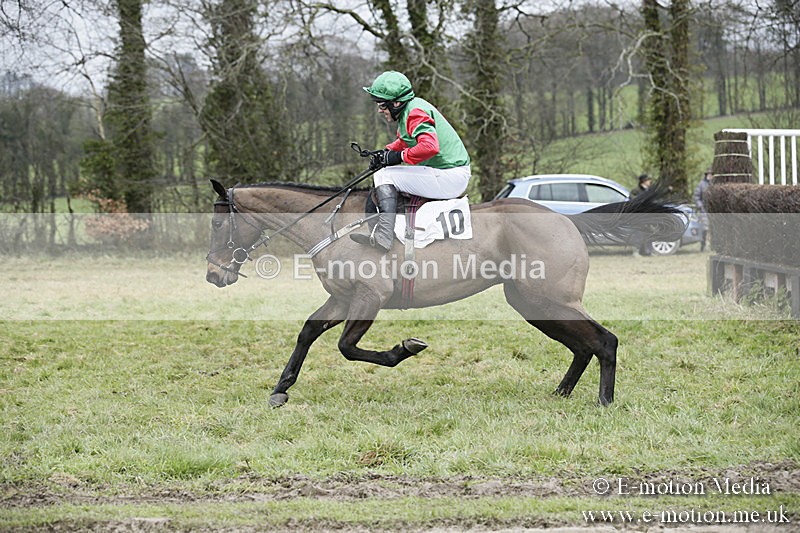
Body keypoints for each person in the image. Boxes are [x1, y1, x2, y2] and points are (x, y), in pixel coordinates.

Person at [350, 71, 471, 253]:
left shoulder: (415, 113)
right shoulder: (410, 110)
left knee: (385, 175)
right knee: (383, 171)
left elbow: (430, 147)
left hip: (451, 176)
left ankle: (384, 235)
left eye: (382, 105)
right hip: (447, 172)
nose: (379, 110)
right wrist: (385, 153)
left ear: (396, 103)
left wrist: (397, 157)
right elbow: (404, 141)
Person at [630, 174, 653, 256]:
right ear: (643, 181)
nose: (650, 182)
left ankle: (648, 251)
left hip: (648, 216)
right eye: (648, 180)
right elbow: (633, 202)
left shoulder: (649, 191)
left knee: (649, 234)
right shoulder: (635, 191)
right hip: (638, 217)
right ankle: (636, 251)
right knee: (638, 234)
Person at [693, 169, 713, 251]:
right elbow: (697, 197)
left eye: (711, 174)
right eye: (708, 174)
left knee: (713, 229)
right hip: (704, 210)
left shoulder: (715, 184)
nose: (710, 176)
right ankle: (703, 245)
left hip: (713, 210)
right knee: (704, 229)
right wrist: (700, 206)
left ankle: (713, 245)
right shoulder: (701, 184)